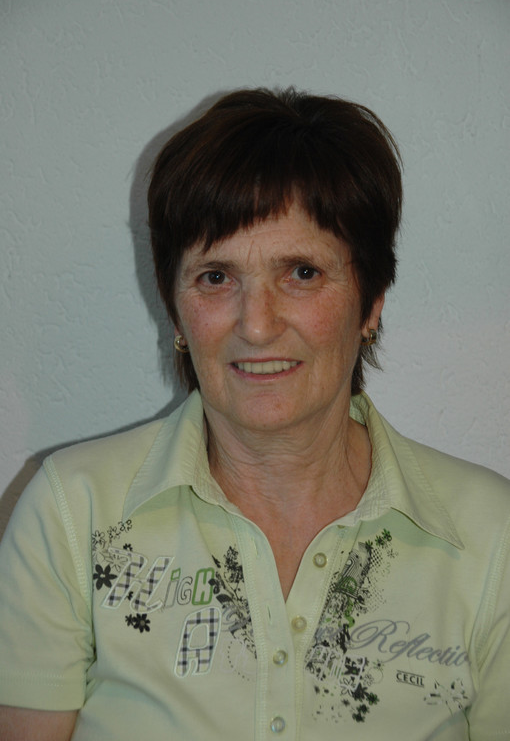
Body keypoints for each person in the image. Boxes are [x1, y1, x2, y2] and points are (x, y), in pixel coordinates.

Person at [0, 88, 509, 741]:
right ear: (175, 308)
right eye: (216, 277)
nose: (258, 325)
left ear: (372, 302)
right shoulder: (72, 513)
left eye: (301, 272)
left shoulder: (491, 537)